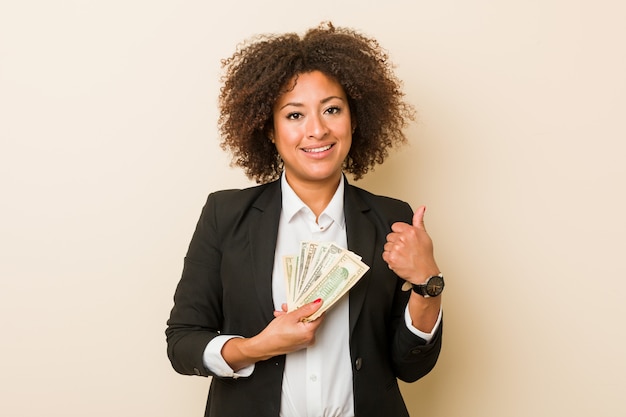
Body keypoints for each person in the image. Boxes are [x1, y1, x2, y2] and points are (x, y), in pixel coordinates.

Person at [166, 22, 444, 417]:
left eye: (332, 109)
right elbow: (181, 343)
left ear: (355, 118)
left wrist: (427, 283)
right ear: (269, 129)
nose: (317, 130)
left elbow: (411, 366)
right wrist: (256, 346)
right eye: (294, 115)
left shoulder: (393, 218)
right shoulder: (225, 216)